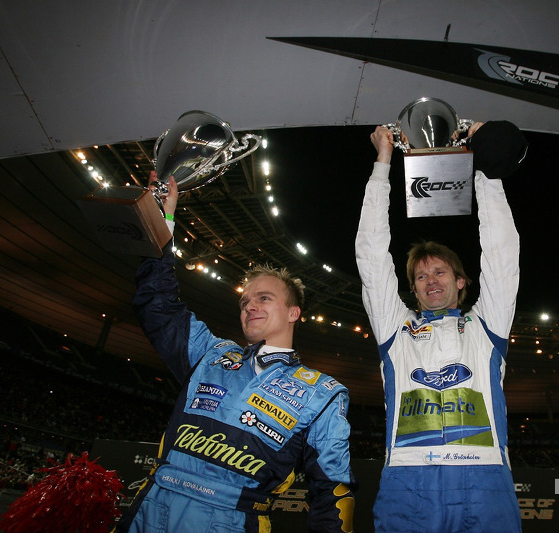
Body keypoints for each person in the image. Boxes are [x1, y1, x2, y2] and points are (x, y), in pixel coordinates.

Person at [116, 172, 356, 532]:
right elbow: (158, 305)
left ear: (294, 313)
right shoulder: (210, 353)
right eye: (245, 300)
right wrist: (161, 221)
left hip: (231, 520)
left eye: (264, 298)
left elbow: (333, 492)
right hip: (153, 506)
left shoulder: (322, 393)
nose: (249, 306)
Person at [355, 121, 527, 532]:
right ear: (412, 290)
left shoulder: (487, 325)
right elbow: (372, 255)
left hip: (485, 480)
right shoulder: (395, 329)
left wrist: (484, 167)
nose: (431, 280)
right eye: (420, 276)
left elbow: (502, 251)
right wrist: (382, 164)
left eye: (440, 272)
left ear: (461, 280)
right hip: (408, 480)